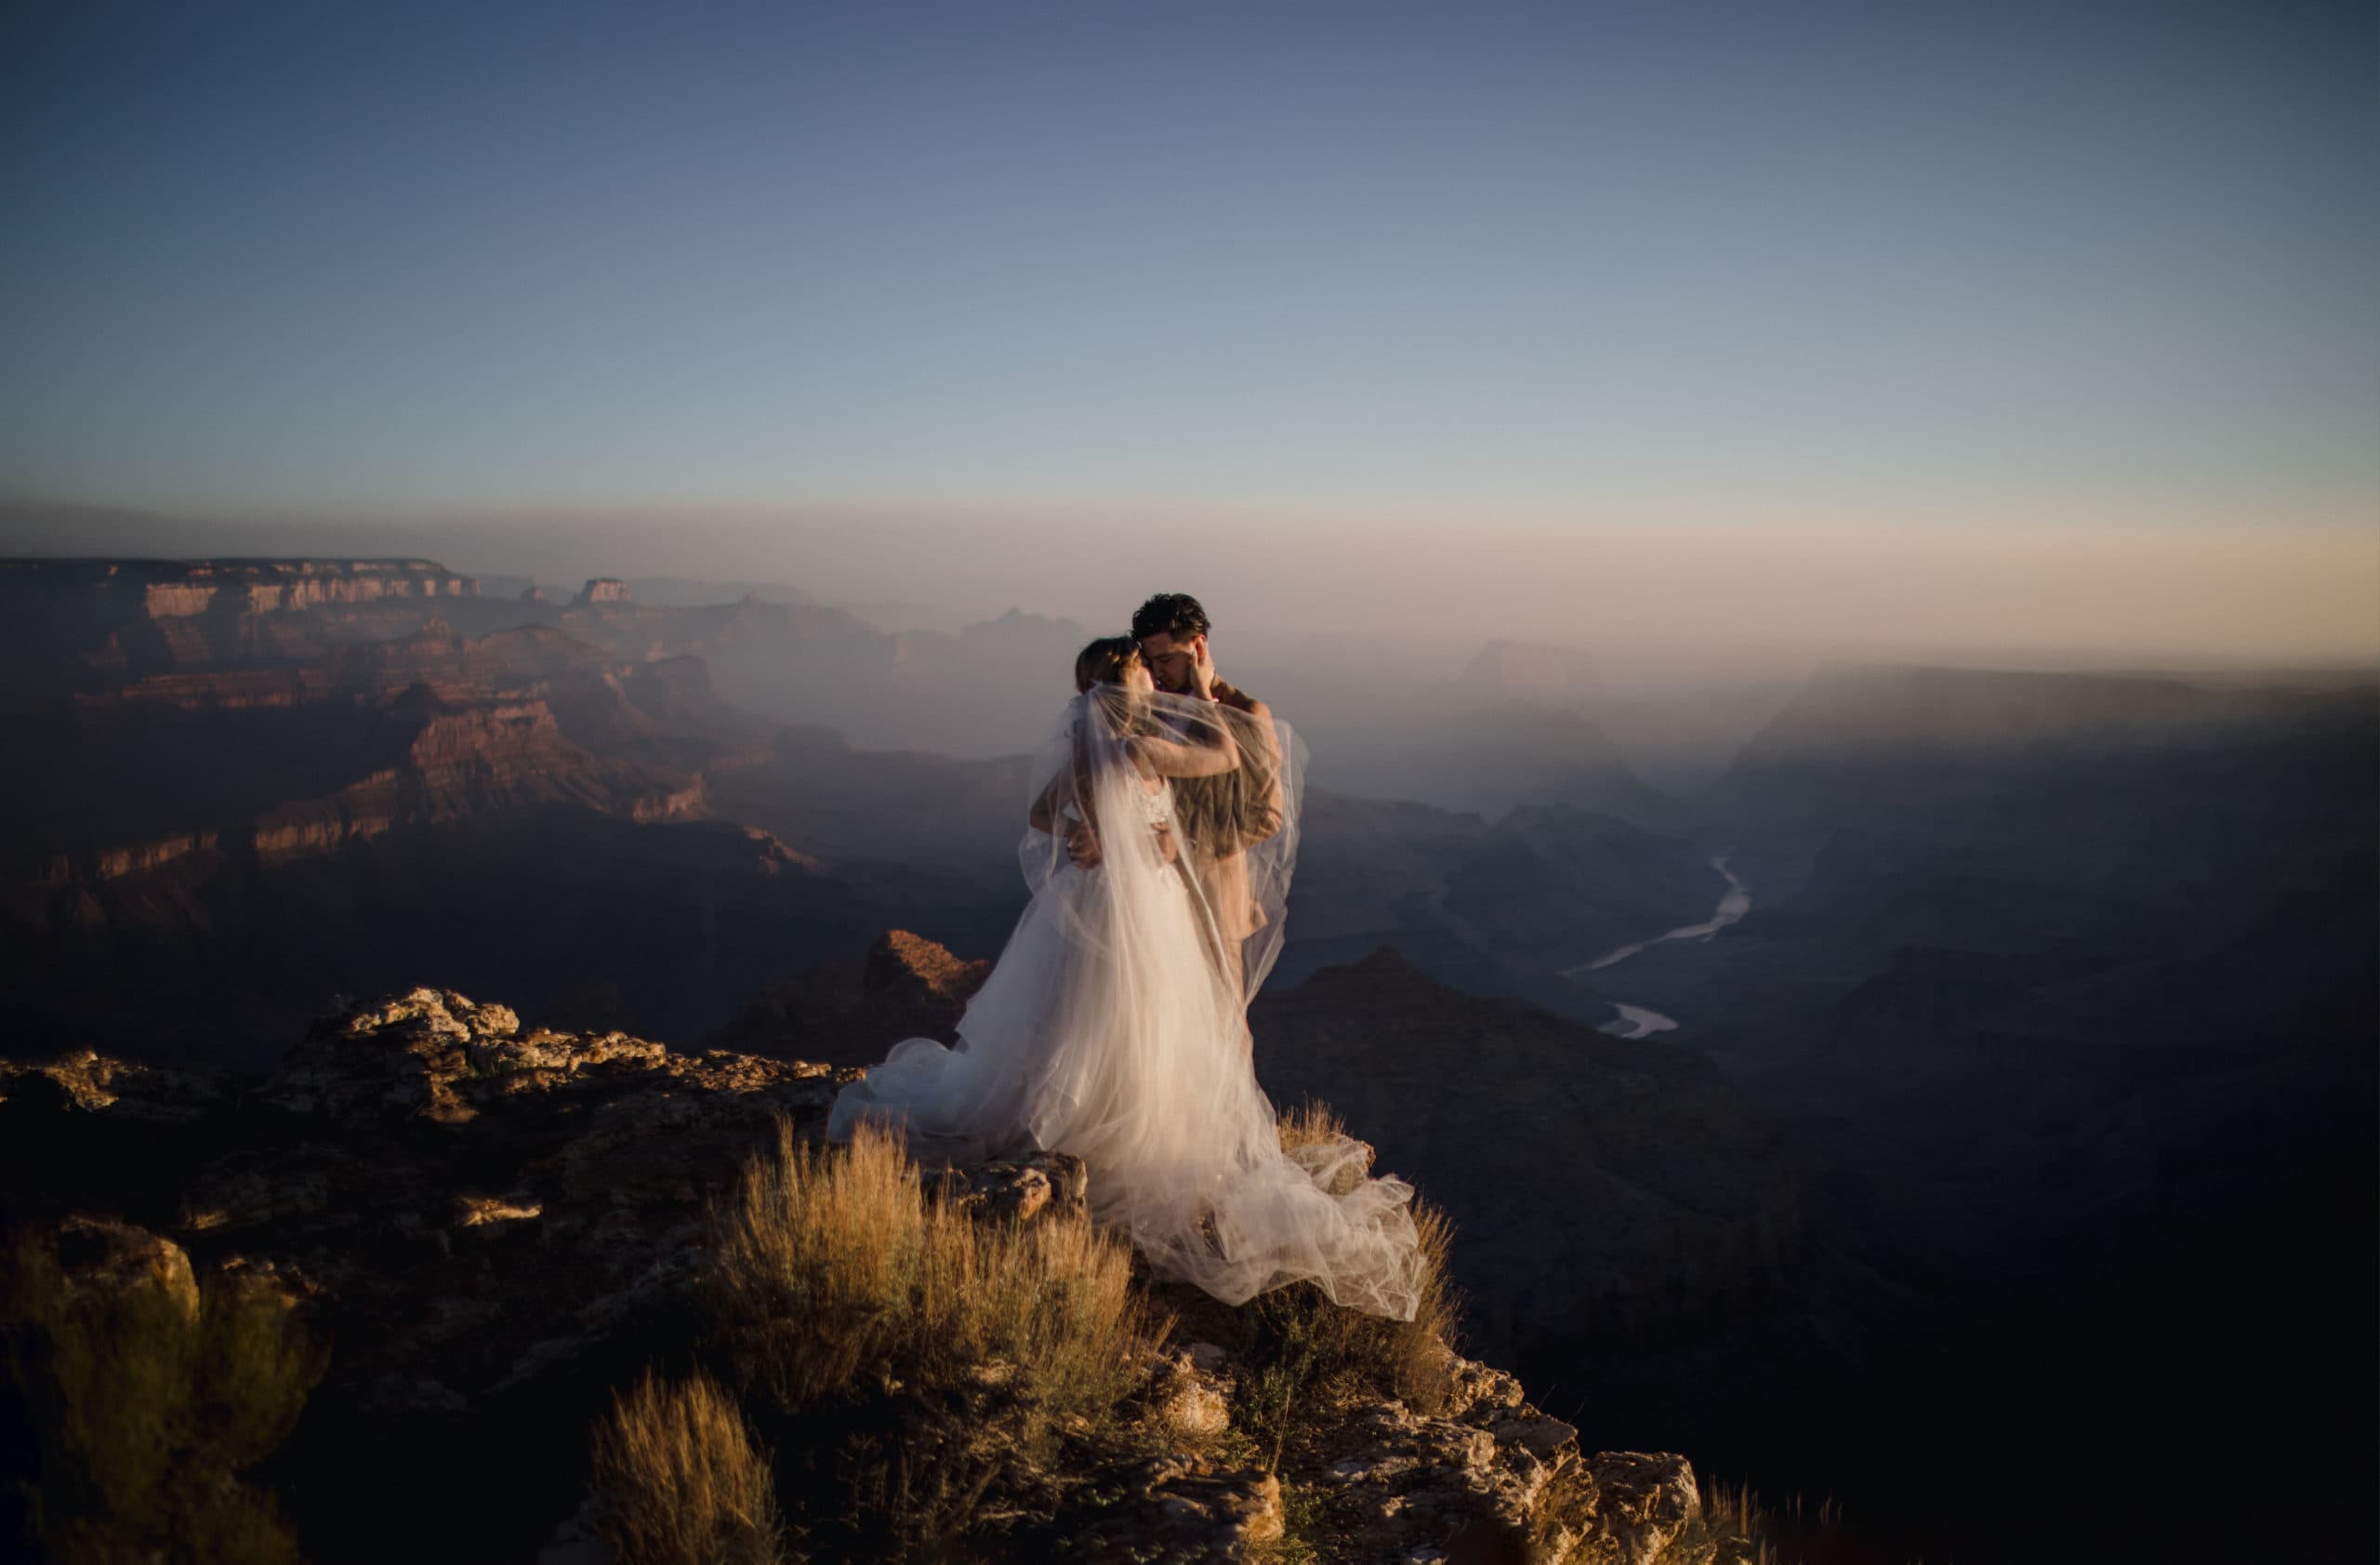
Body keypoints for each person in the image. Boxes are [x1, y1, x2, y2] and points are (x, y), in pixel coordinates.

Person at [828, 634, 1421, 1319]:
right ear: (1128, 688)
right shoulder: (1139, 750)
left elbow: (1039, 814)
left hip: (1086, 900)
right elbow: (1228, 752)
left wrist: (1099, 833)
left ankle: (1064, 1122)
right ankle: (1121, 1138)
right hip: (1138, 906)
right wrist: (1195, 701)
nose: (1152, 680)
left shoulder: (1087, 752)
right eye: (1146, 672)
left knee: (1079, 1015)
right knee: (1137, 1017)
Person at [1131, 592, 1287, 1012]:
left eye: (1165, 658)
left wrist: (1183, 845)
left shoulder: (1246, 712)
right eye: (1150, 659)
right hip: (1153, 892)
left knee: (1222, 1015)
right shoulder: (1150, 709)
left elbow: (1268, 815)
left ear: (1198, 647)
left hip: (1215, 893)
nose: (1157, 671)